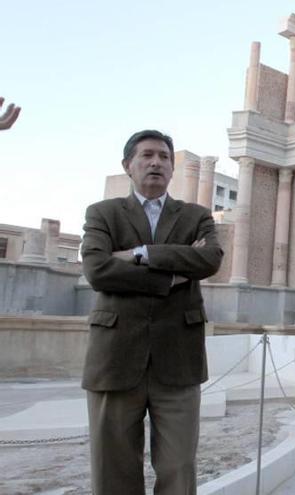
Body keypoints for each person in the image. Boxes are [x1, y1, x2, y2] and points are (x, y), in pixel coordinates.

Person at [80, 129, 223, 494]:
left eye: (164, 156)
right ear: (128, 165)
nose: (156, 162)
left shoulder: (196, 215)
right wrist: (170, 277)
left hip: (179, 359)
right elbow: (97, 269)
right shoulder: (103, 213)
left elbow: (209, 259)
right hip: (114, 357)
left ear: (173, 169)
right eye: (146, 155)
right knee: (113, 469)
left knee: (179, 468)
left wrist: (141, 254)